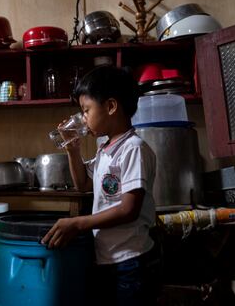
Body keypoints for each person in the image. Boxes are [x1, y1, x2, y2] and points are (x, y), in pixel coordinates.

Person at [41, 65, 159, 305]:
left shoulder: (132, 148)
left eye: (86, 110)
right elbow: (84, 184)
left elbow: (129, 210)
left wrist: (78, 224)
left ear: (111, 106)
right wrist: (72, 149)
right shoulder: (105, 148)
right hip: (108, 258)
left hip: (131, 260)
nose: (83, 118)